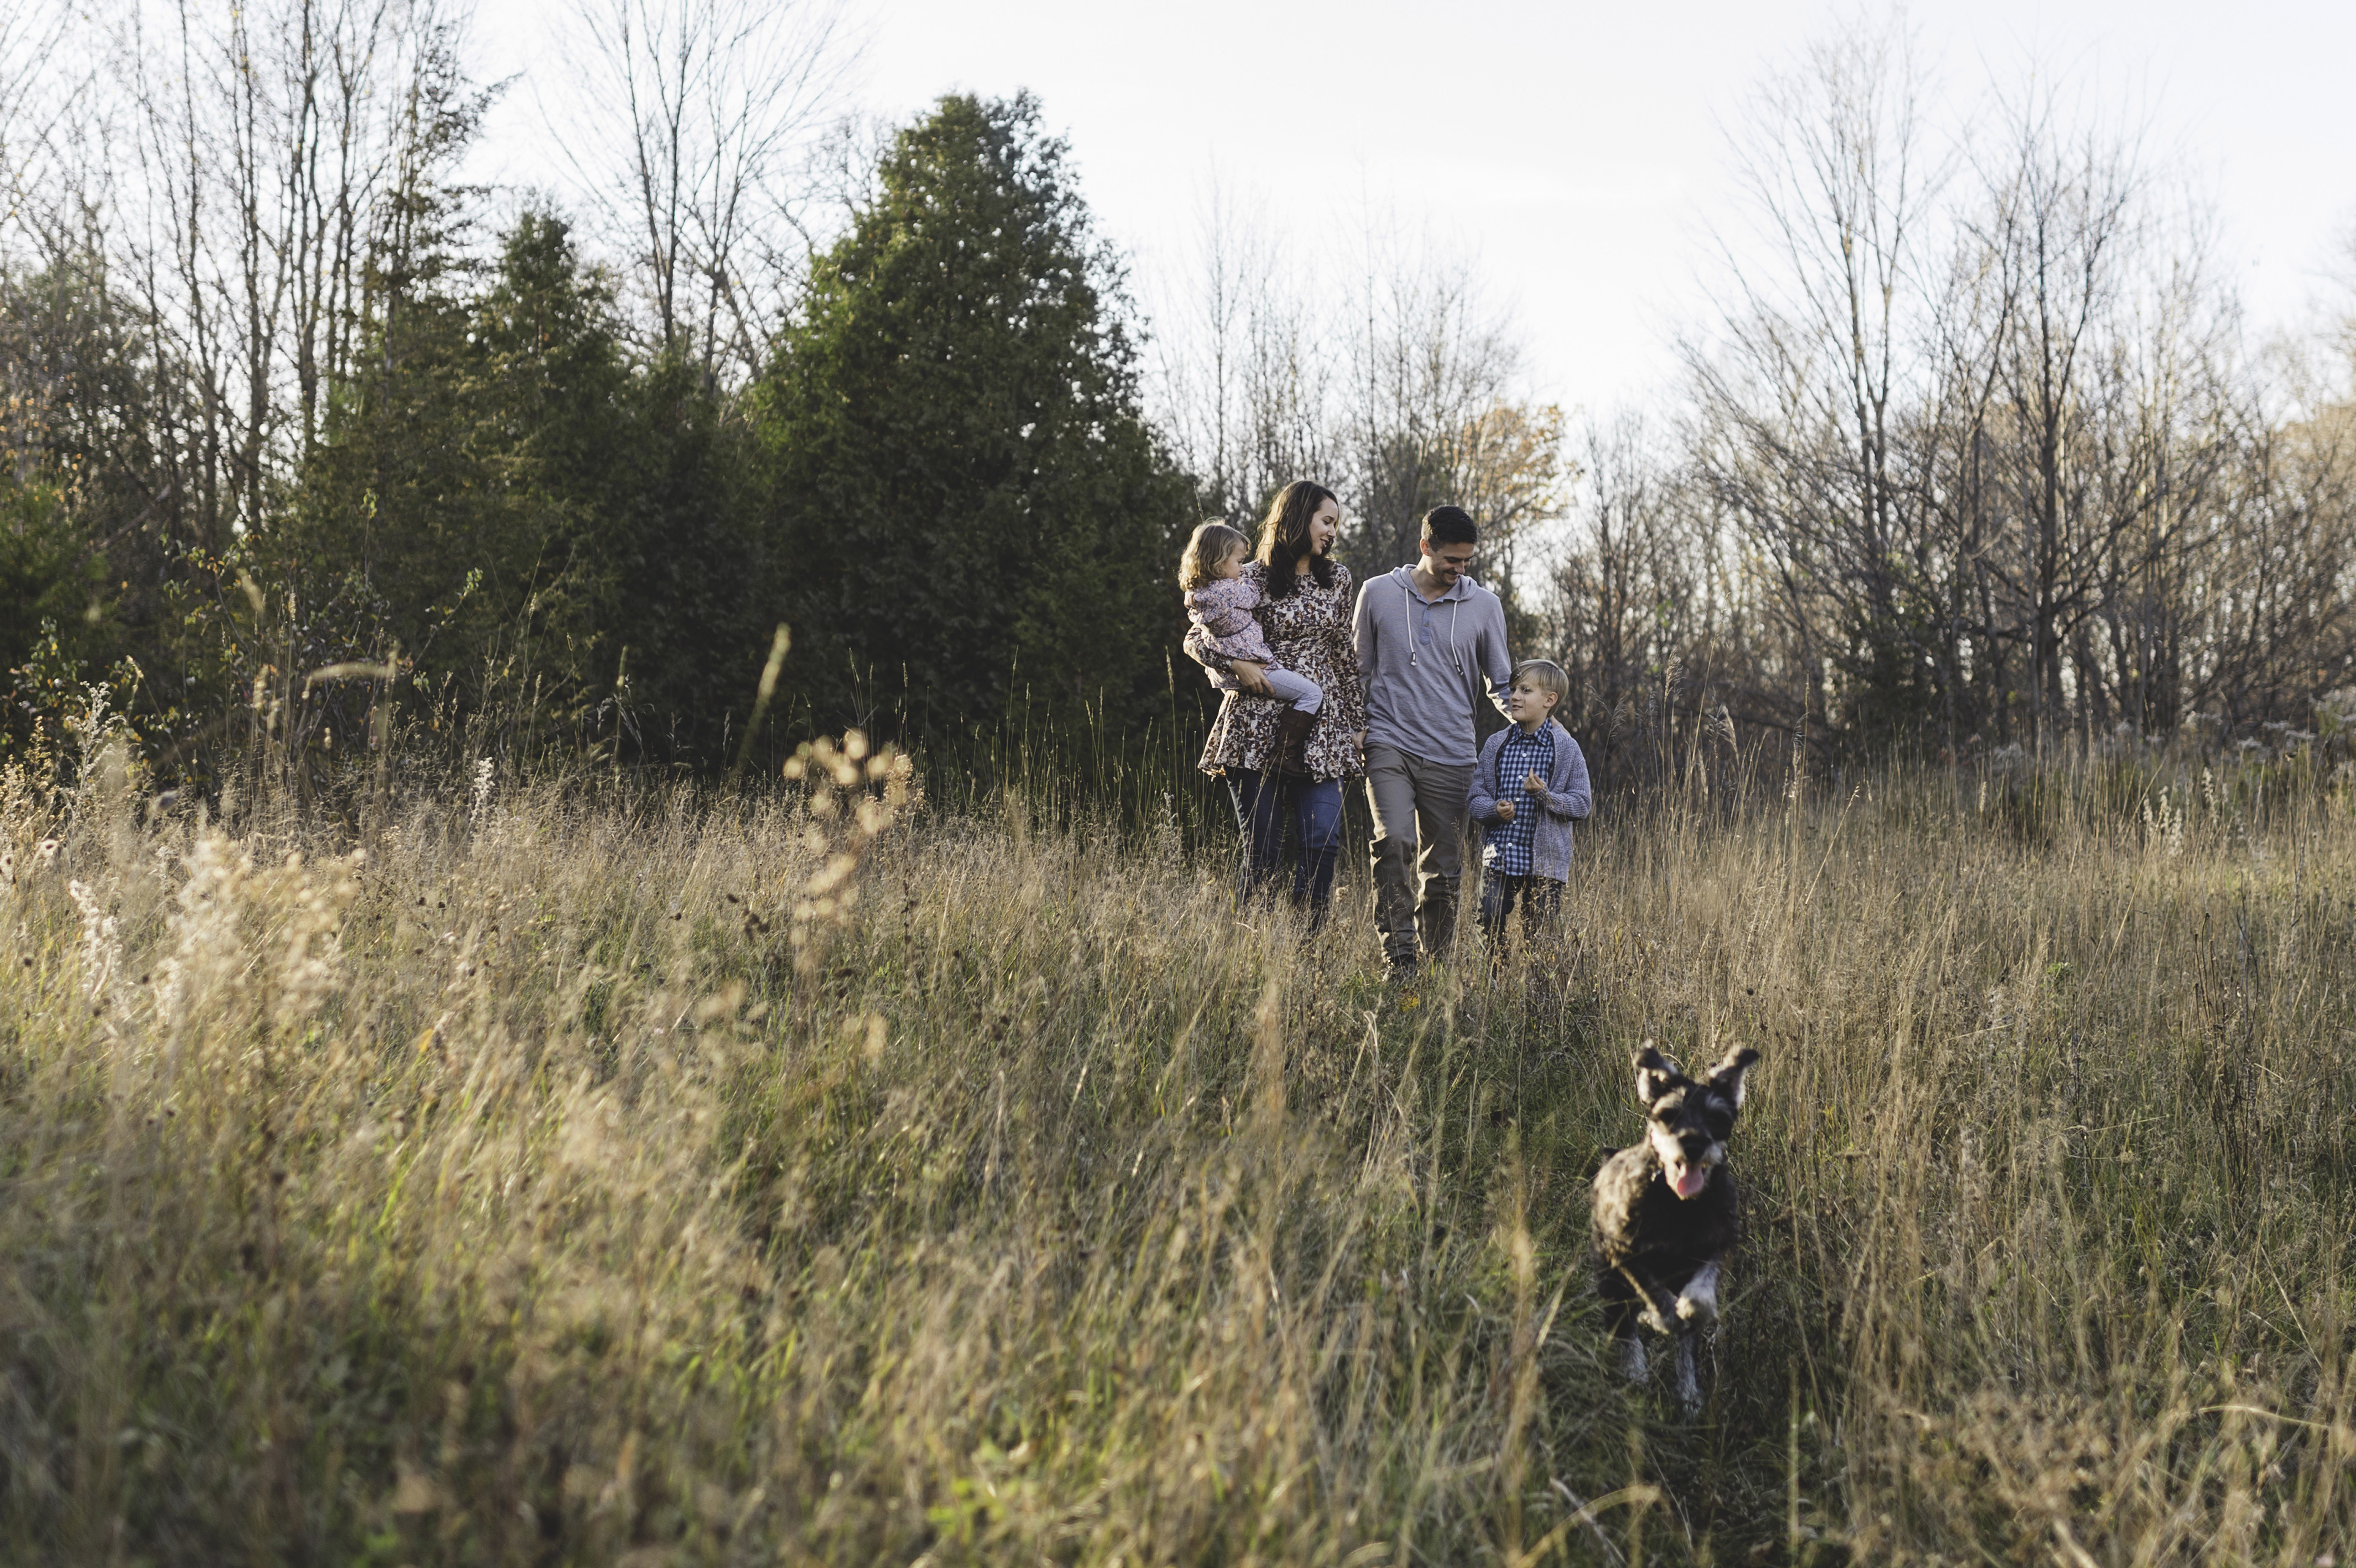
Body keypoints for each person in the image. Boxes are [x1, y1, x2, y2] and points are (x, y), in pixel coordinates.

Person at [1186, 482, 1369, 926]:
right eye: (1326, 521)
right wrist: (1235, 663)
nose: (1331, 532)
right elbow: (1194, 638)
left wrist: (1356, 722)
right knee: (1262, 849)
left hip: (1320, 725)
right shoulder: (1247, 577)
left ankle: (1307, 950)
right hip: (1254, 722)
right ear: (1297, 517)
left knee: (1321, 841)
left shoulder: (1338, 578)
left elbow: (1343, 654)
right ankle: (1254, 951)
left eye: (1335, 525)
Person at [1352, 505, 1514, 978]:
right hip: (1388, 742)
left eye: (1466, 562)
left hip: (1453, 754)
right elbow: (1355, 671)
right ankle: (1400, 960)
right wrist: (1352, 726)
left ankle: (1436, 967)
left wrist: (1536, 728)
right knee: (1394, 841)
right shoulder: (1378, 594)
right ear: (1425, 547)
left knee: (1443, 872)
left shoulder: (1484, 606)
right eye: (1451, 560)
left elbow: (1501, 683)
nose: (1459, 570)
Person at [1178, 520, 1322, 775]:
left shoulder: (1198, 595)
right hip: (1257, 666)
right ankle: (1284, 754)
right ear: (1219, 563)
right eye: (1239, 562)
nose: (1243, 568)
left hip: (1228, 670)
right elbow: (1252, 596)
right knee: (1312, 694)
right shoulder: (1228, 591)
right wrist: (1247, 580)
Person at [1468, 659, 1591, 957]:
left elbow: (1583, 803)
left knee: (1542, 934)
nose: (1514, 696)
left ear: (1550, 700)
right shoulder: (1497, 745)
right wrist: (1494, 810)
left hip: (1546, 863)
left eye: (1525, 690)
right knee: (1487, 917)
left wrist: (1546, 796)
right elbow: (1475, 797)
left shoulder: (1566, 748)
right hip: (1500, 857)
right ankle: (1493, 981)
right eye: (1513, 689)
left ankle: (1540, 994)